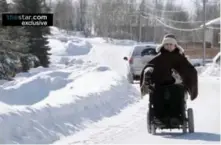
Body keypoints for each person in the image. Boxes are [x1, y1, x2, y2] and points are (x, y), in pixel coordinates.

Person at [140, 34, 198, 123]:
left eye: (171, 44)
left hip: (176, 86)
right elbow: (149, 66)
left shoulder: (180, 58)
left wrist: (188, 78)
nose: (169, 46)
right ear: (163, 45)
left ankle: (176, 117)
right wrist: (148, 72)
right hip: (160, 85)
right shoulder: (159, 58)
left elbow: (189, 70)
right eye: (167, 44)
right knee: (157, 96)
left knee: (177, 95)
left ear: (175, 46)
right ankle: (160, 118)